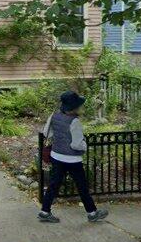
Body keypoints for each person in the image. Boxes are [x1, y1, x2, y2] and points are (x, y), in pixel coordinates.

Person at [38, 90, 108, 223]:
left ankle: (44, 211)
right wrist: (85, 145)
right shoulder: (74, 121)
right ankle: (92, 213)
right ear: (74, 107)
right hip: (72, 160)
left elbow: (47, 133)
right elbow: (76, 145)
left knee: (53, 185)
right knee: (82, 187)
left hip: (56, 156)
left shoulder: (54, 115)